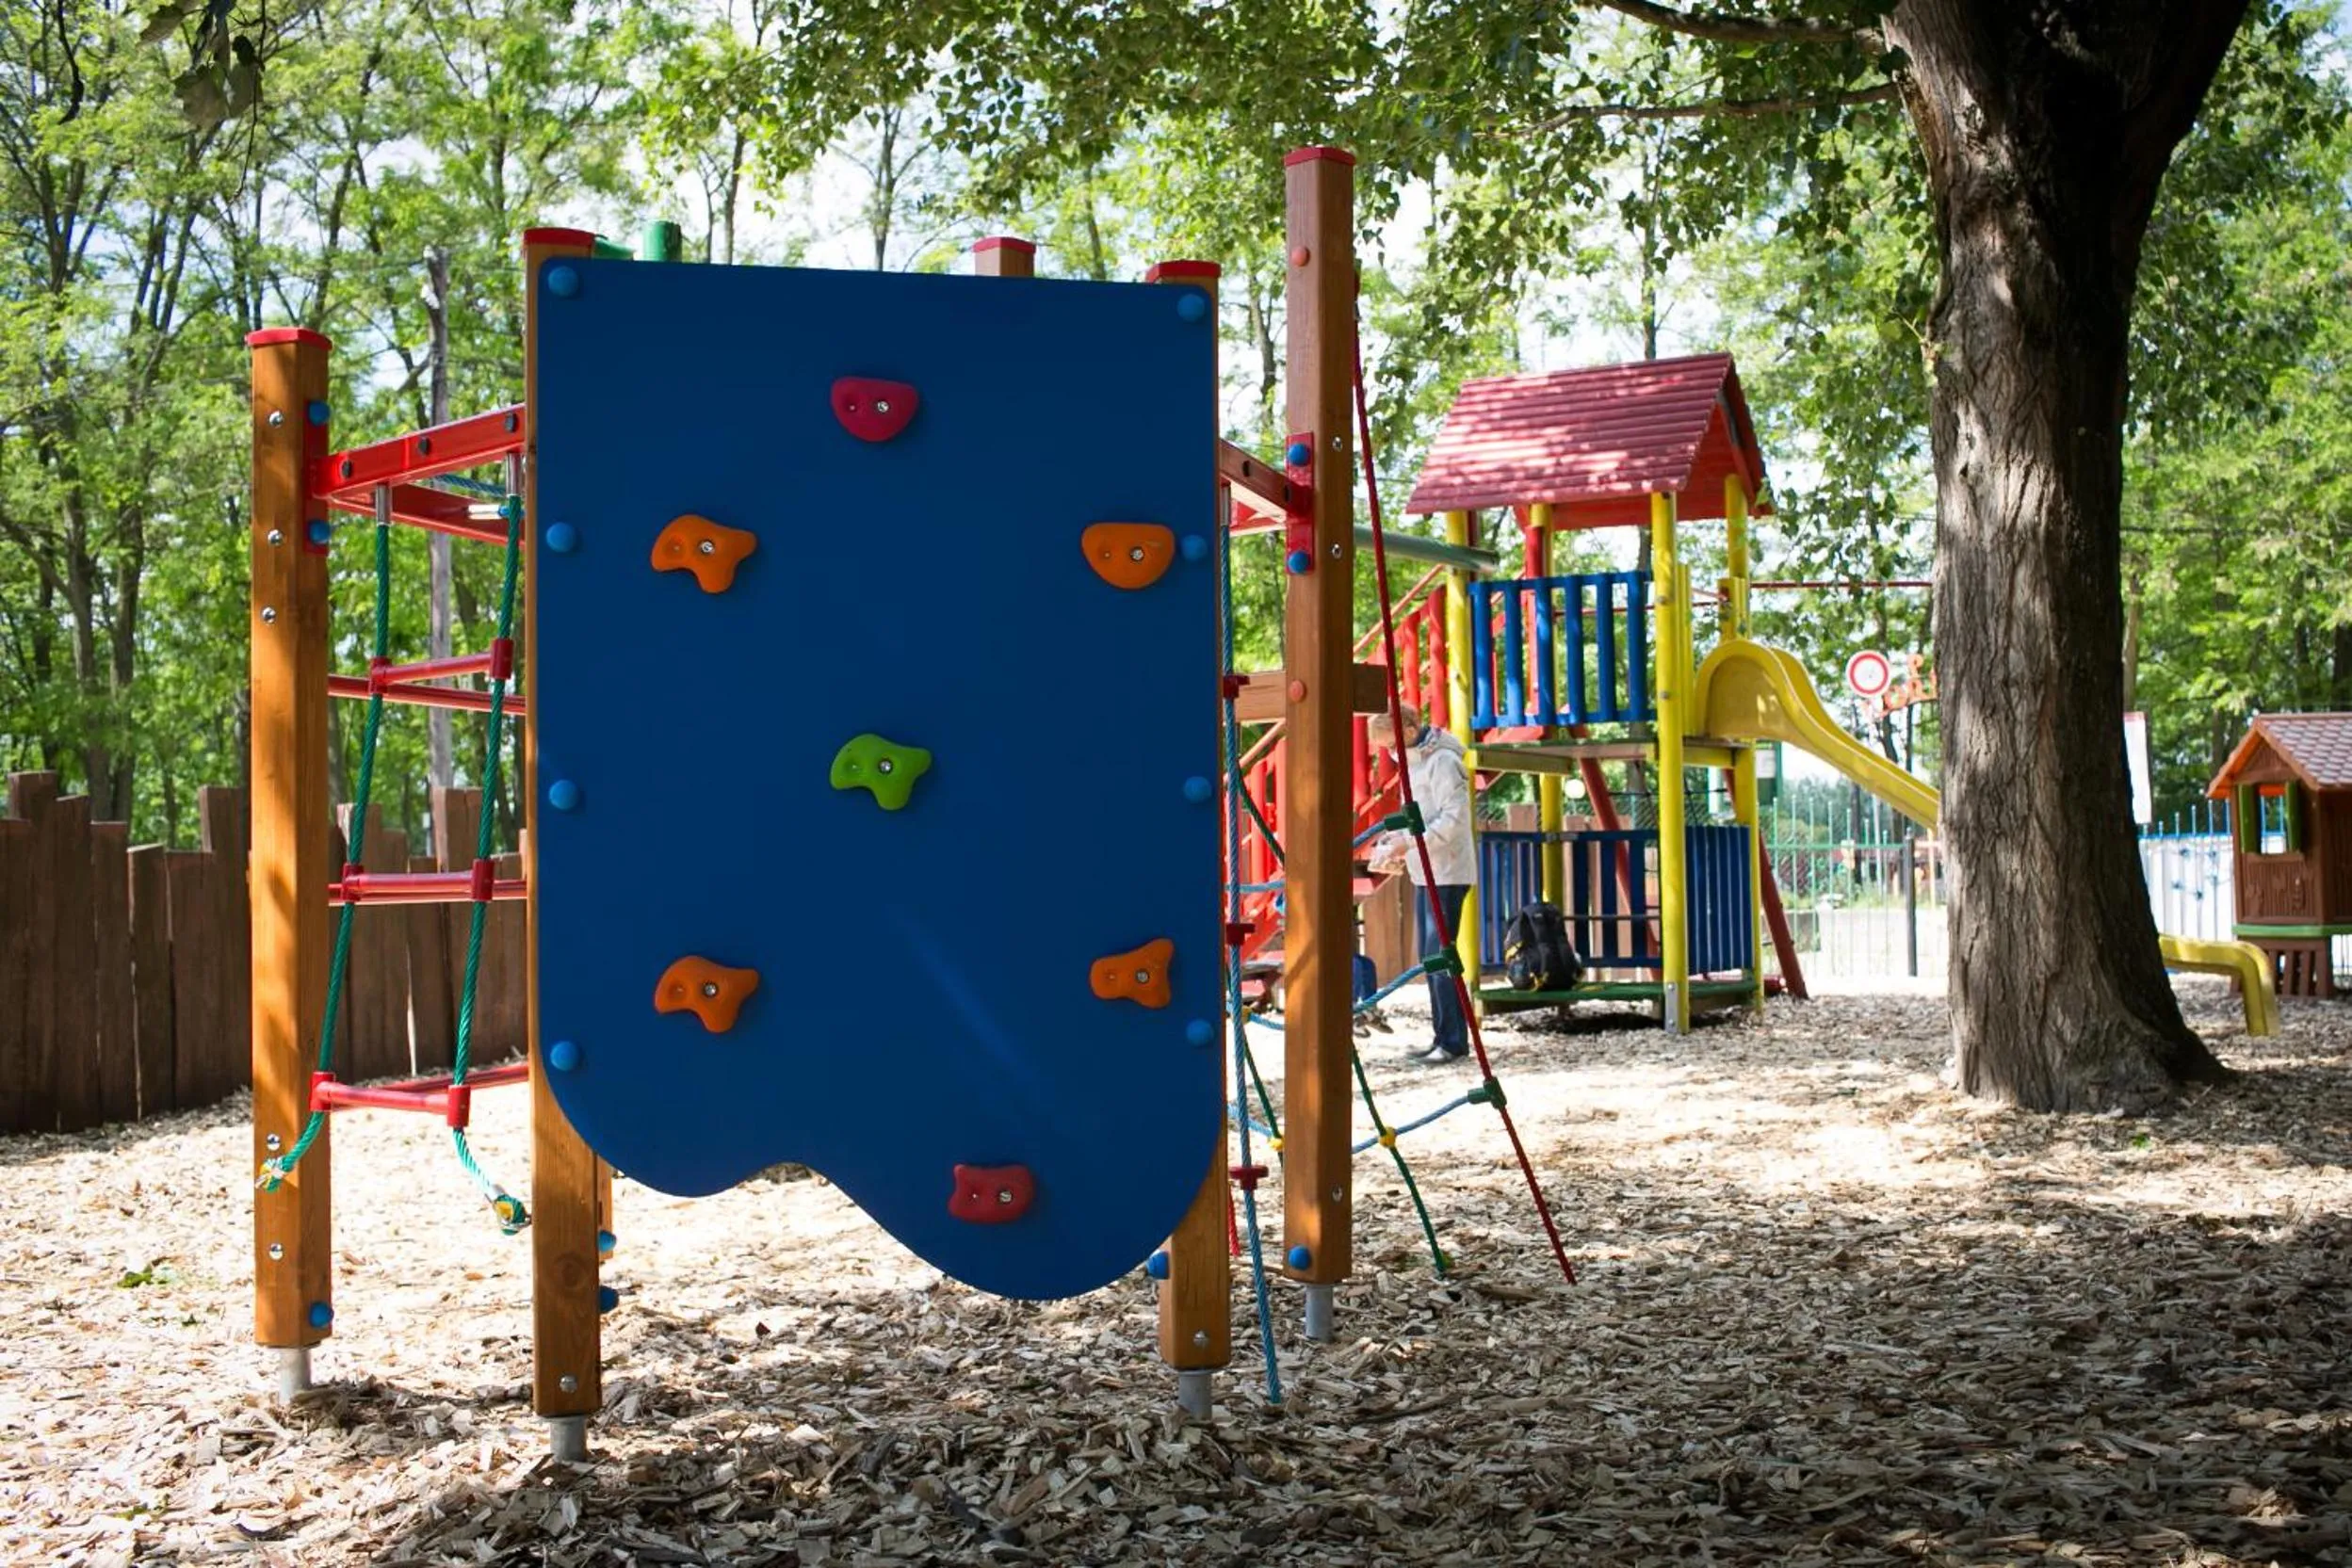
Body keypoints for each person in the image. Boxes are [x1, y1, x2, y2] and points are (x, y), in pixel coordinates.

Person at [1365, 703, 1475, 1062]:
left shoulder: (1442, 762)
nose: (1390, 752)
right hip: (1426, 871)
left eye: (1391, 743)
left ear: (1410, 730)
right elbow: (1417, 817)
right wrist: (1391, 844)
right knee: (1431, 957)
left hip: (1447, 872)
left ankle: (1453, 1041)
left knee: (1438, 956)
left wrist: (1407, 843)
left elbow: (1453, 821)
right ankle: (1444, 1036)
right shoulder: (1414, 762)